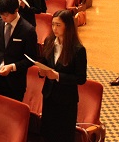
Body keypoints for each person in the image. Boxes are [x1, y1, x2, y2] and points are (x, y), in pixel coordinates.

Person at [37, 9, 87, 142]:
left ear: (68, 26)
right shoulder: (49, 41)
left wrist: (58, 76)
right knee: (47, 133)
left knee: (62, 135)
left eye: (58, 25)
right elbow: (44, 62)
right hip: (49, 95)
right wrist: (41, 72)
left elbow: (81, 79)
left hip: (66, 100)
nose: (54, 28)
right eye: (53, 24)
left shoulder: (78, 50)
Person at [0, 0, 37, 101]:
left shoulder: (28, 30)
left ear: (16, 10)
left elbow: (31, 59)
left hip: (14, 82)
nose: (3, 17)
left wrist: (12, 67)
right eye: (1, 14)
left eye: (6, 14)